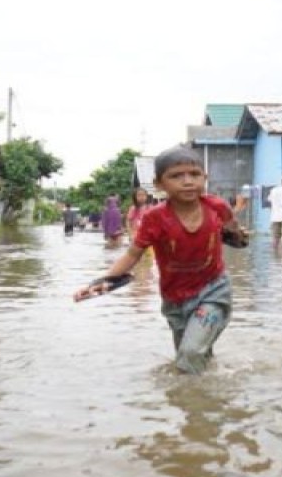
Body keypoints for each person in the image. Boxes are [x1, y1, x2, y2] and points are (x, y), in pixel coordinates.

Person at [73, 146, 247, 374]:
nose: (187, 182)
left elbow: (237, 236)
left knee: (190, 353)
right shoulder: (154, 218)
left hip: (213, 291)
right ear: (158, 184)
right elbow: (132, 254)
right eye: (176, 176)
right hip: (175, 299)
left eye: (194, 175)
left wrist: (237, 232)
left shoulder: (217, 207)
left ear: (205, 178)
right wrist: (102, 282)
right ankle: (202, 398)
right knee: (190, 358)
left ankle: (196, 402)